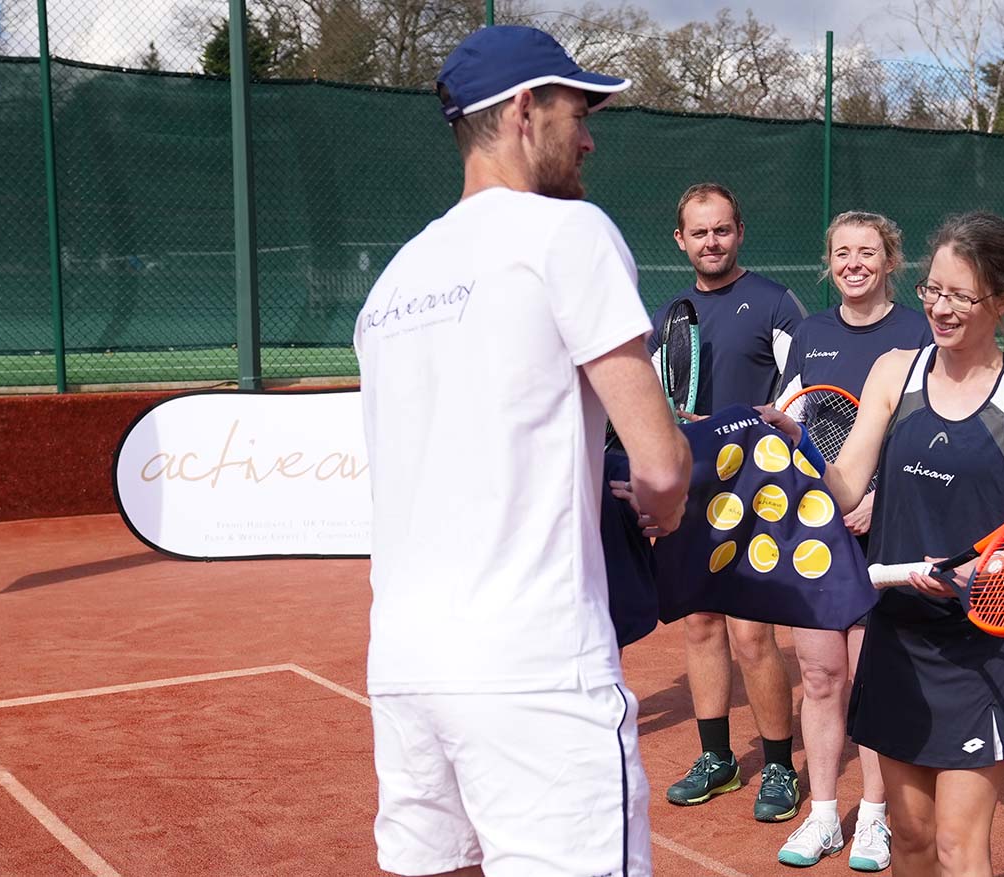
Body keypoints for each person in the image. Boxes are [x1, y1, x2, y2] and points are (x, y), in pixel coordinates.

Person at [353, 26, 692, 877]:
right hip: (534, 664)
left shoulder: (394, 278)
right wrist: (663, 505)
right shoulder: (565, 232)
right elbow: (659, 461)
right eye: (578, 110)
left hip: (403, 663)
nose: (588, 136)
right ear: (523, 109)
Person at [761, 211, 1004, 876]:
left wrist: (994, 564)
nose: (941, 308)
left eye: (960, 295)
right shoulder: (895, 373)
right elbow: (846, 486)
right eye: (933, 290)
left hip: (982, 643)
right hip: (898, 636)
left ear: (1003, 301)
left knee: (959, 846)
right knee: (912, 835)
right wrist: (799, 444)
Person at [771, 212, 931, 870]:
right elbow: (793, 422)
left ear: (891, 260)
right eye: (842, 252)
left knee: (867, 678)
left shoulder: (917, 333)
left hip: (883, 530)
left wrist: (875, 498)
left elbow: (927, 429)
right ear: (829, 261)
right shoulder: (809, 334)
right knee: (818, 674)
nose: (854, 263)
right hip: (816, 530)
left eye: (868, 251)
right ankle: (821, 817)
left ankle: (872, 817)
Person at [652, 182, 808, 822]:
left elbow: (800, 399)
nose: (711, 242)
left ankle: (778, 766)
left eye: (721, 230)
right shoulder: (672, 313)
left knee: (751, 631)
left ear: (738, 232)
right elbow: (656, 400)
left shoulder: (775, 303)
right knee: (699, 624)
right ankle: (717, 759)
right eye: (699, 232)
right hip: (695, 491)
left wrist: (735, 424)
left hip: (757, 488)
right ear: (680, 240)